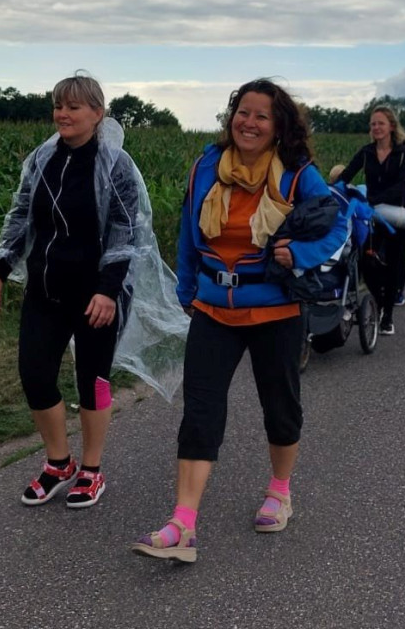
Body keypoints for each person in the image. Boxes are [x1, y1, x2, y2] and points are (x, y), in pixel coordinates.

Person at [130, 79, 346, 564]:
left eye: (261, 116)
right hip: (213, 309)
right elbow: (189, 230)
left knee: (280, 406)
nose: (248, 122)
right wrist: (187, 289)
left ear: (279, 127)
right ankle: (182, 523)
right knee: (200, 411)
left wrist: (303, 253)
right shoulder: (207, 166)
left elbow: (340, 222)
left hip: (275, 309)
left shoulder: (297, 173)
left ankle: (280, 490)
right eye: (242, 113)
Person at [0, 74, 187, 509]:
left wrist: (109, 289)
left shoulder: (116, 165)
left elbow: (127, 231)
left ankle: (91, 469)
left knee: (92, 381)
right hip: (46, 287)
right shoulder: (42, 160)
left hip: (97, 293)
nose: (63, 114)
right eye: (58, 105)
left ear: (98, 113)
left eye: (74, 107)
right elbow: (21, 215)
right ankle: (58, 462)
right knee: (35, 376)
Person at [338, 104, 405, 335]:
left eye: (381, 123)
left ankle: (387, 315)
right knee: (366, 262)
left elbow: (404, 186)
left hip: (396, 218)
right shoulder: (367, 152)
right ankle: (378, 303)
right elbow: (346, 175)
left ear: (391, 125)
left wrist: (373, 198)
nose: (376, 127)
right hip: (371, 217)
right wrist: (333, 191)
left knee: (392, 264)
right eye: (373, 124)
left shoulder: (403, 152)